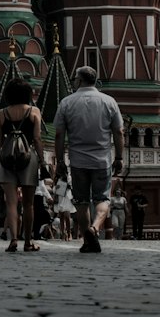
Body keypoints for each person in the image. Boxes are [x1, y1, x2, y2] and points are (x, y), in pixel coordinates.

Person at [53, 66, 124, 255]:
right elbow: (118, 131)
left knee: (81, 201)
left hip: (78, 160)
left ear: (80, 80)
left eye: (75, 78)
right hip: (102, 159)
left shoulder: (67, 102)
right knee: (102, 198)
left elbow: (59, 134)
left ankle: (87, 238)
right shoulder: (109, 101)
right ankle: (95, 229)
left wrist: (59, 159)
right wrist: (119, 157)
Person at [0, 76, 48, 253]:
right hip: (28, 157)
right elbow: (38, 138)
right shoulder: (34, 112)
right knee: (28, 203)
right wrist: (42, 160)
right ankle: (28, 242)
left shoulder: (2, 113)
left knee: (10, 203)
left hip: (7, 158)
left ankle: (13, 240)